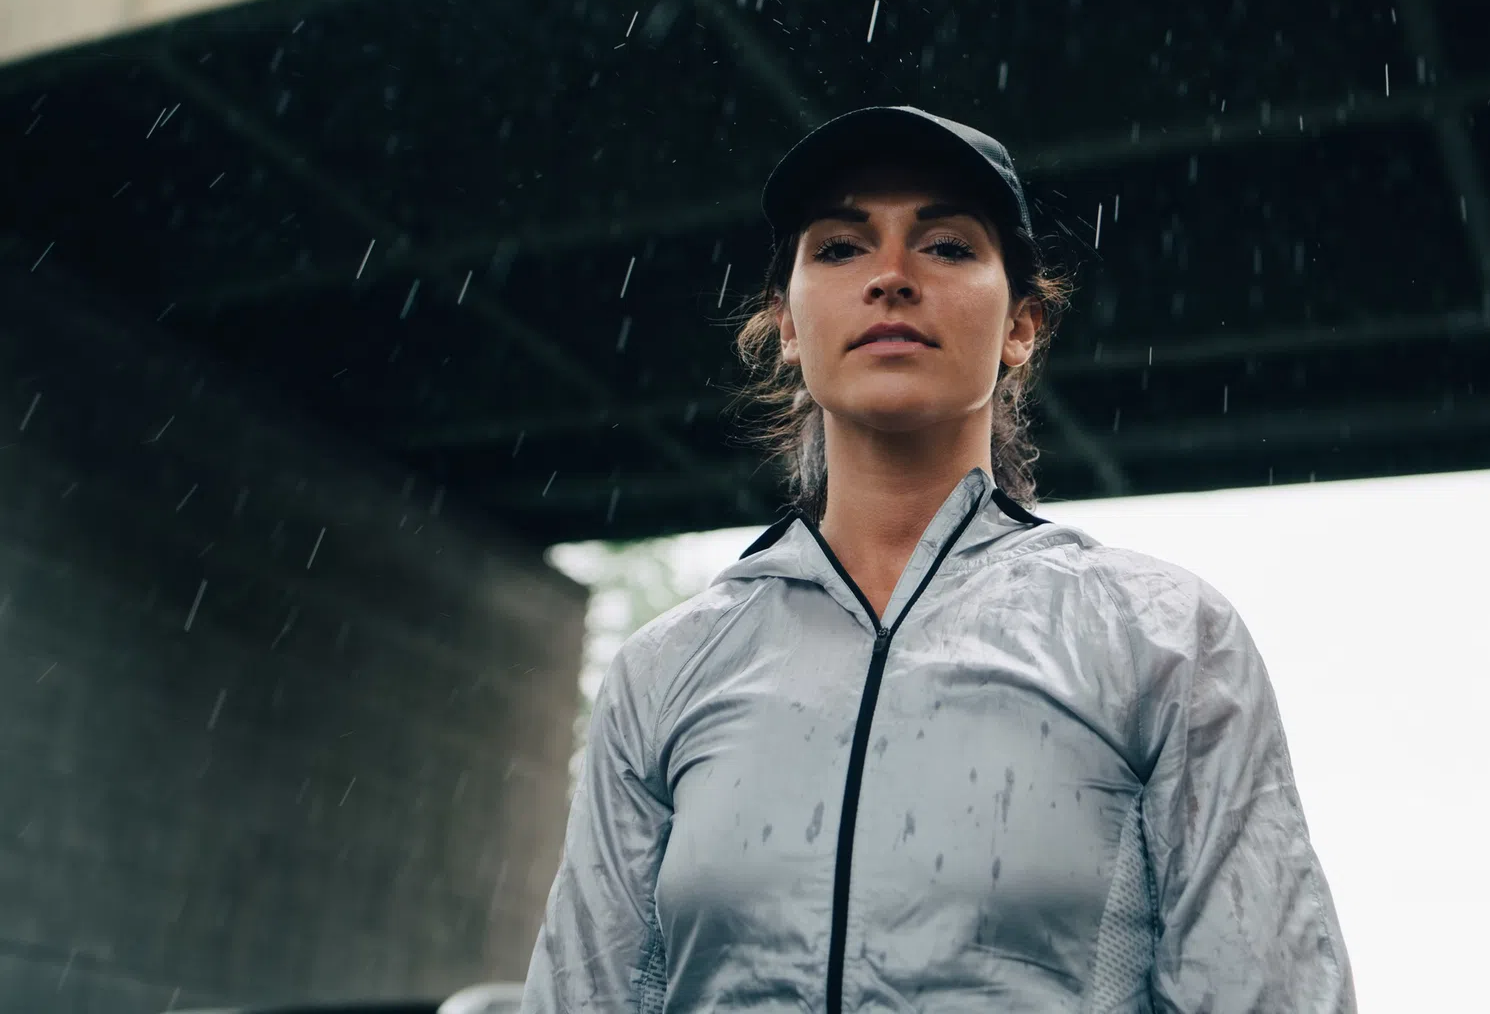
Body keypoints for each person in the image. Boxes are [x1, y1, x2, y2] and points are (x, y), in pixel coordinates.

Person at [520, 107, 1356, 1013]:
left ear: (1021, 327)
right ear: (788, 325)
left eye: (947, 245)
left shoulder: (1164, 640)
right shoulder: (663, 672)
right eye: (839, 247)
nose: (890, 277)